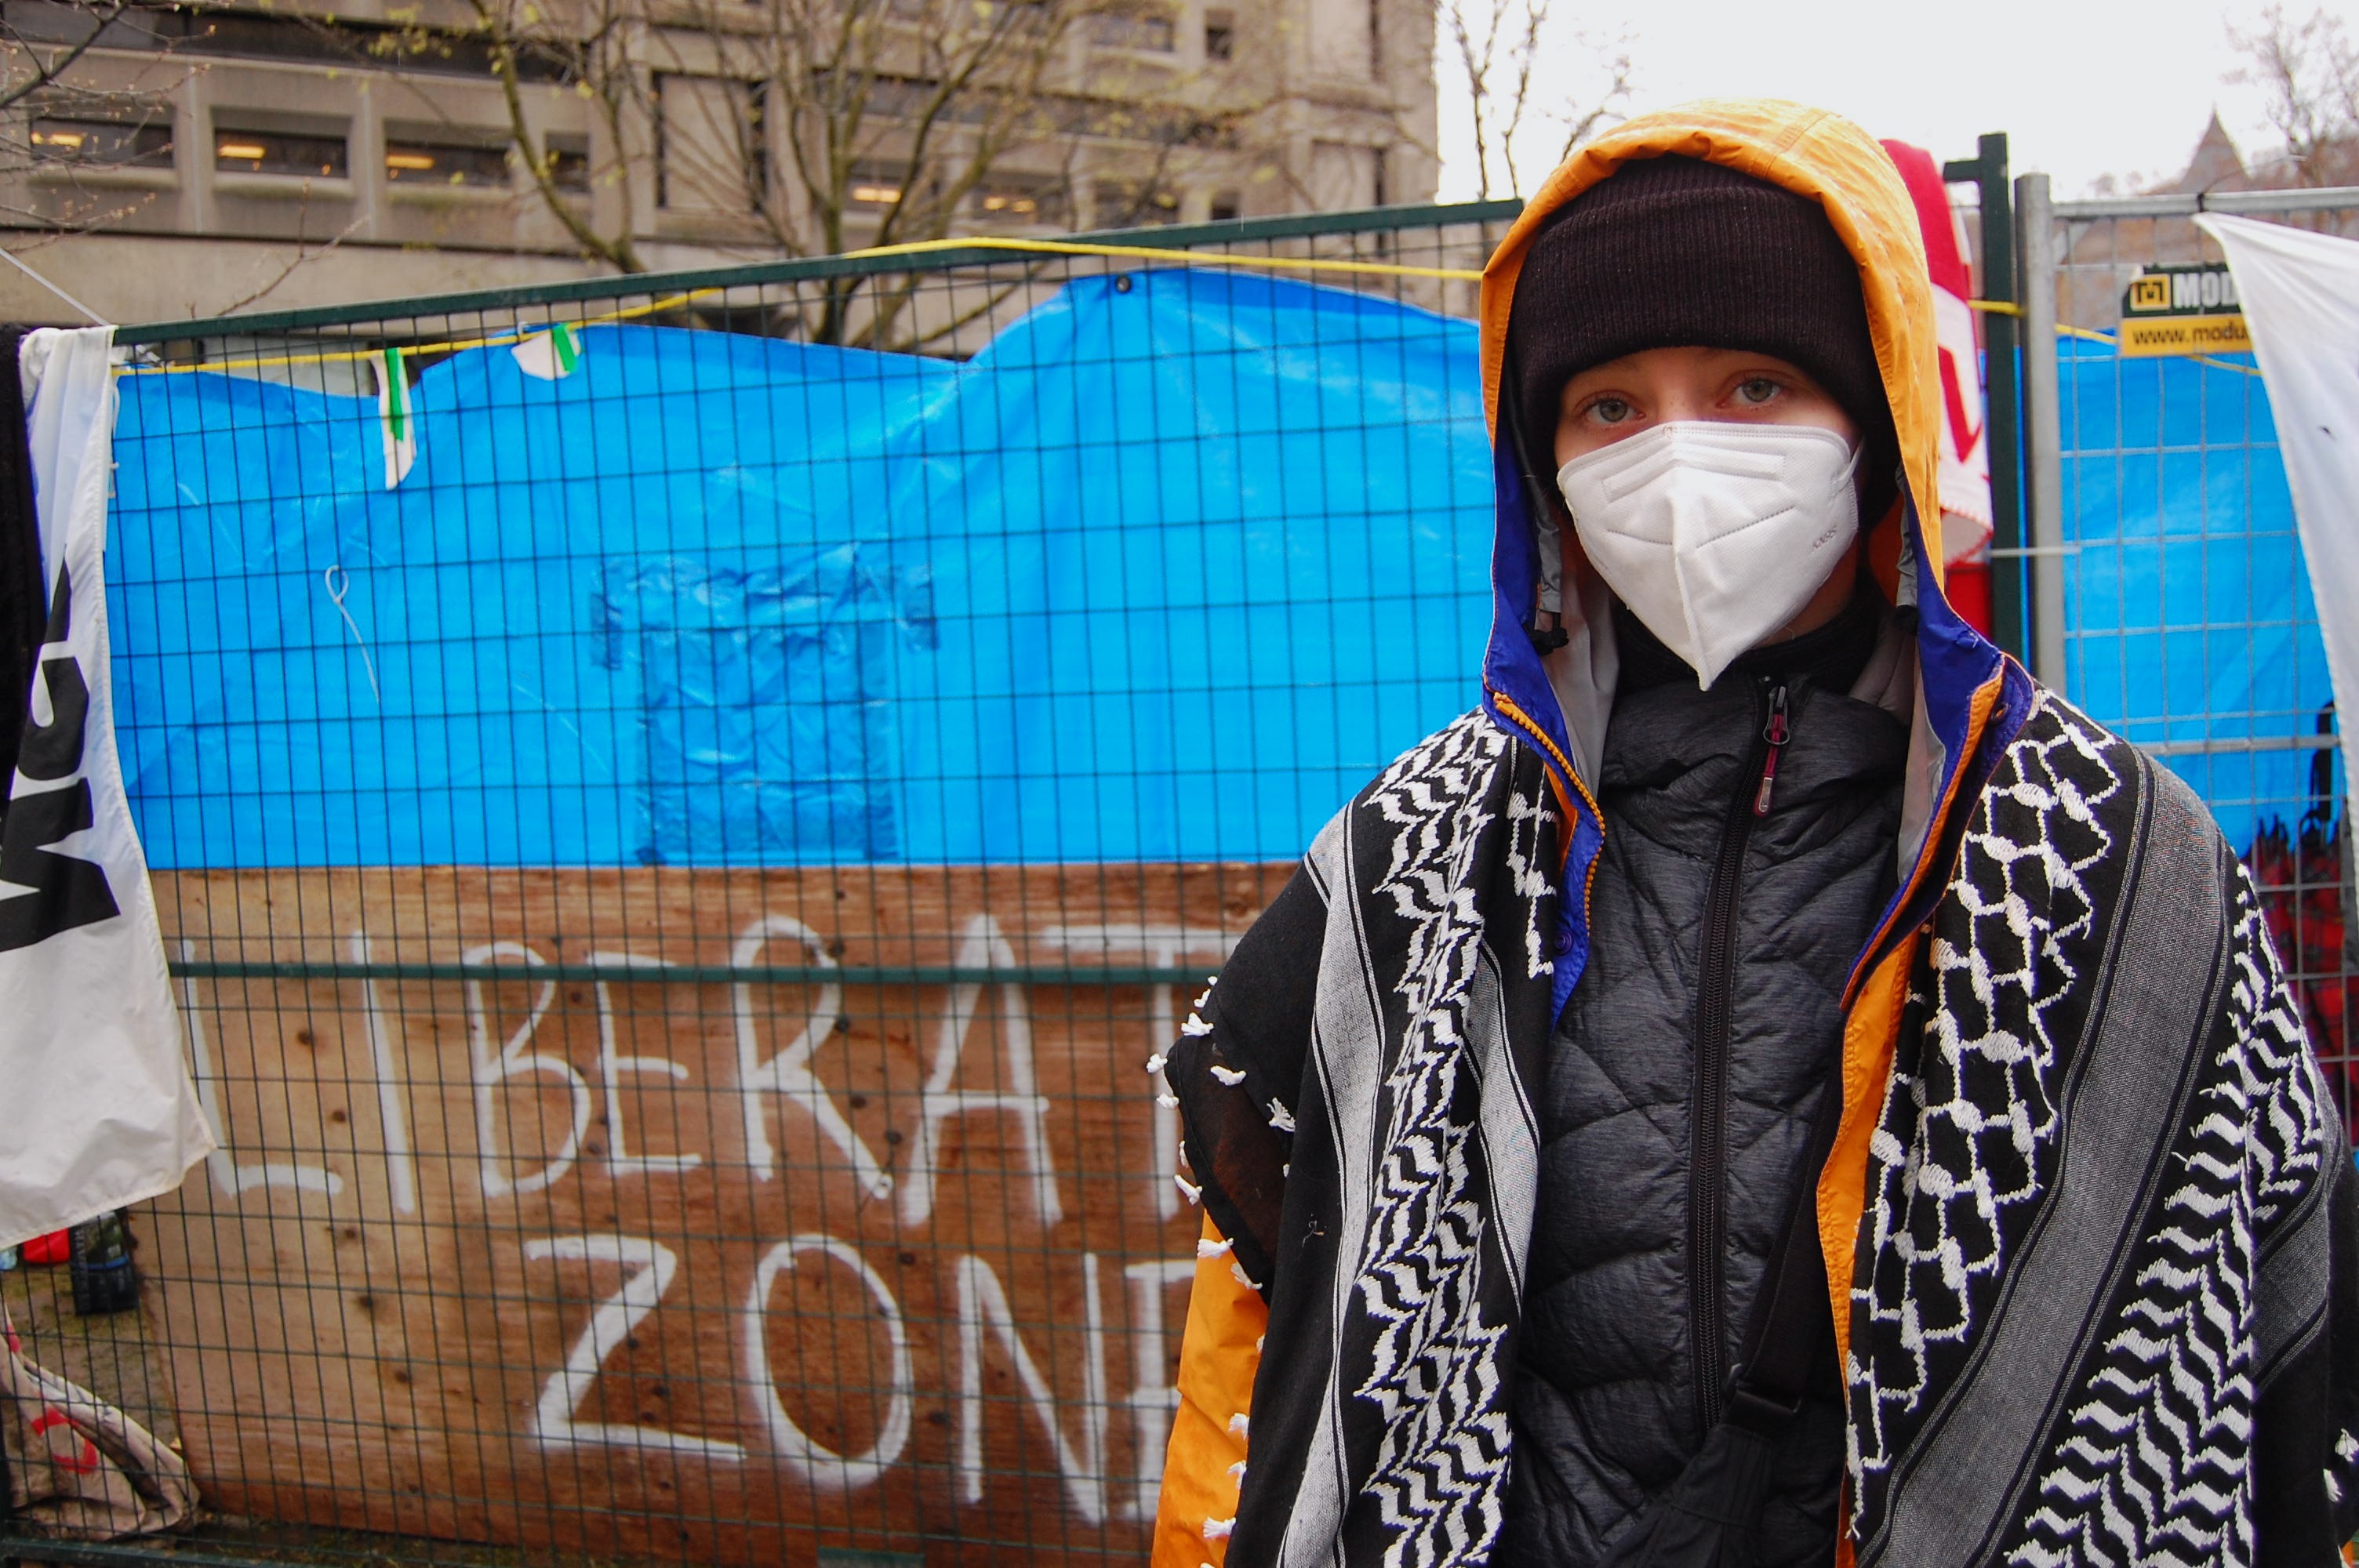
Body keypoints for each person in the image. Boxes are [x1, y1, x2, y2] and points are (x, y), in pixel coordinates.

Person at [1150, 100, 2359, 1568]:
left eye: (1754, 385)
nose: (1679, 461)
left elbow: (2268, 1352)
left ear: (1877, 428)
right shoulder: (1408, 866)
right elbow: (1252, 1371)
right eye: (1610, 406)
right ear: (1545, 474)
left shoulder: (2120, 865)